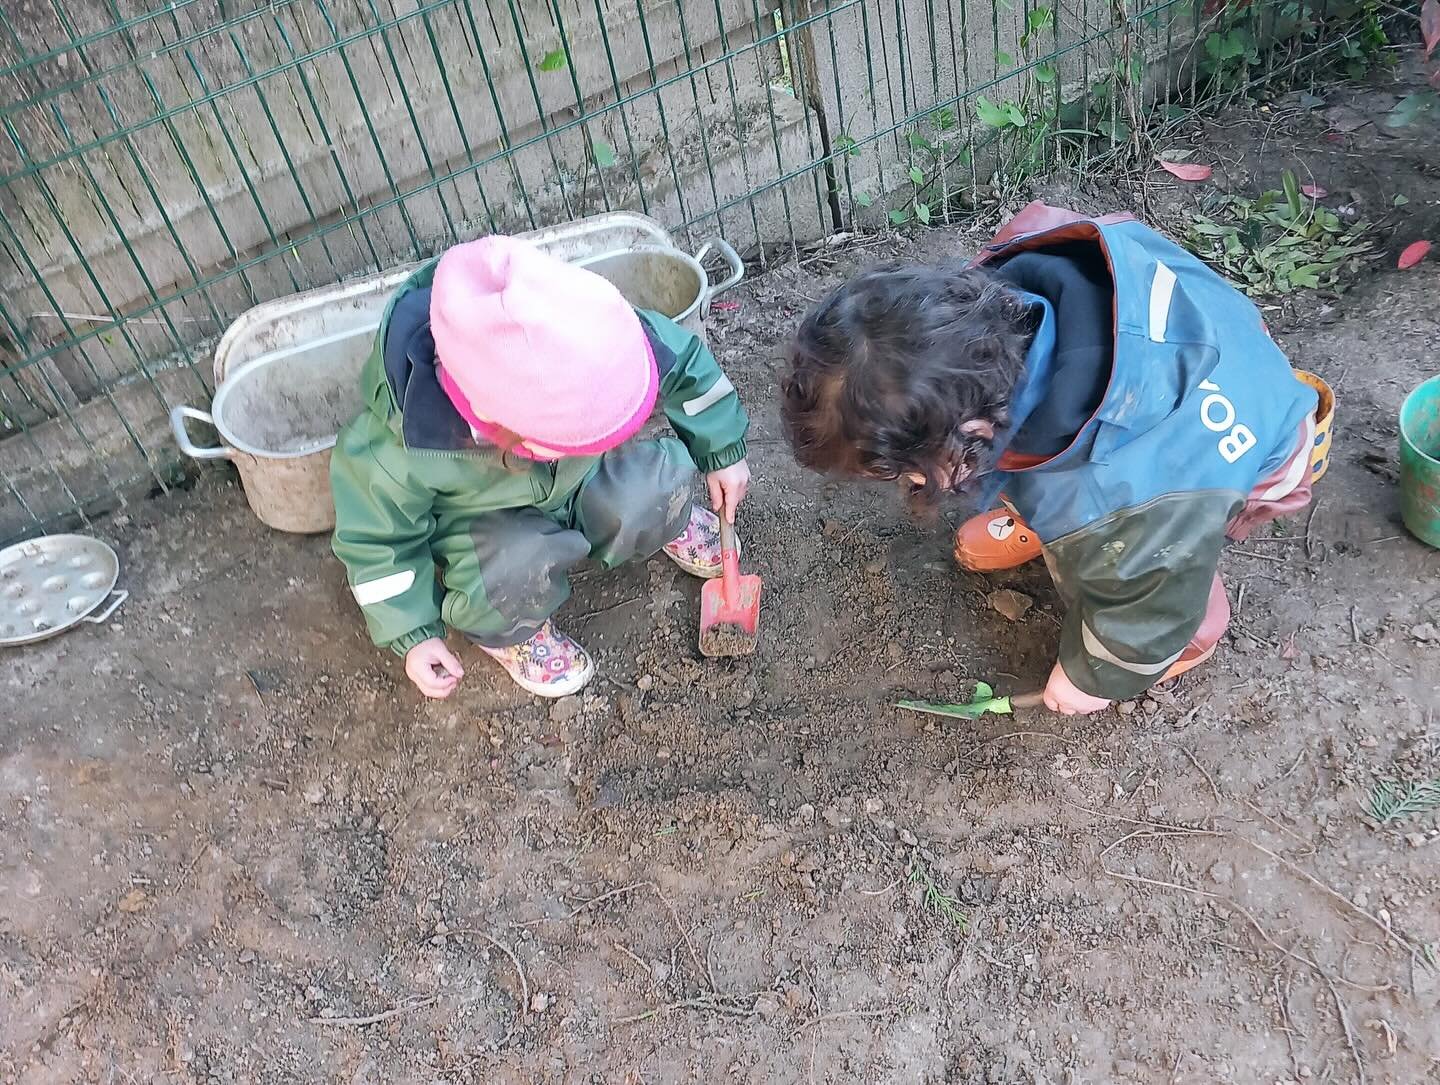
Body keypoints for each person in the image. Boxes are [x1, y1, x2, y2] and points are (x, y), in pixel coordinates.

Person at [779, 202, 1319, 715]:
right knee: (1074, 500)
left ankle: (1191, 631)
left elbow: (1151, 583)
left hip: (1246, 459)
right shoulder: (1005, 296)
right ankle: (1050, 521)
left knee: (1150, 574)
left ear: (973, 430)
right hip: (1197, 354)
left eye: (904, 469)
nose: (905, 482)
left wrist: (1093, 678)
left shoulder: (1127, 497)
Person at [330, 235, 751, 700]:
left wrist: (723, 449)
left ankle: (666, 522)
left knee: (651, 490)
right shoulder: (402, 446)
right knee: (512, 565)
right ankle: (514, 633)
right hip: (486, 524)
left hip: (582, 476)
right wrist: (412, 633)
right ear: (505, 431)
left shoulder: (585, 332)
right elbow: (378, 544)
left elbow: (685, 365)